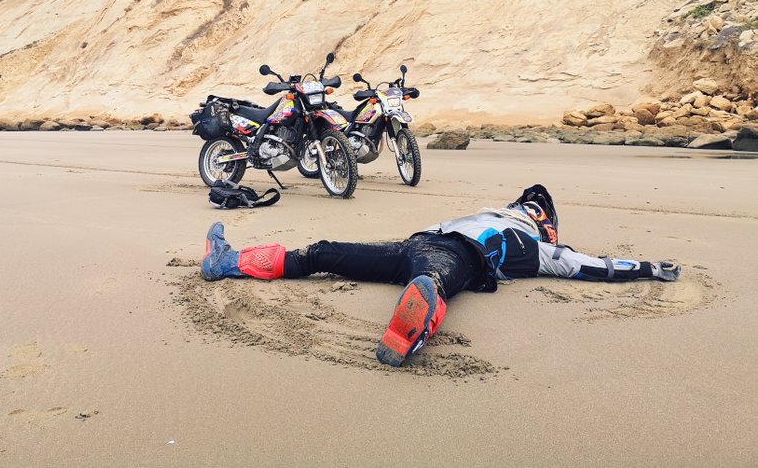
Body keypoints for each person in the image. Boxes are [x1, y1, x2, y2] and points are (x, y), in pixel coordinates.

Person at [200, 185, 681, 367]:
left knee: (325, 253)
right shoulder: (536, 245)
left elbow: (591, 265)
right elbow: (593, 266)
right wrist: (650, 268)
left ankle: (227, 262)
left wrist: (648, 268)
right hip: (434, 252)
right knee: (423, 272)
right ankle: (416, 310)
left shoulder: (515, 234)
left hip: (422, 248)